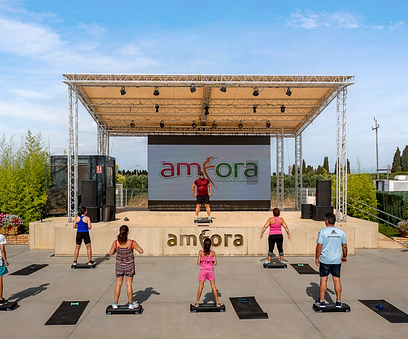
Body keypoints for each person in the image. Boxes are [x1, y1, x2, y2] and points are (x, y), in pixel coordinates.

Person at [315, 212, 347, 308]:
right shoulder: (341, 232)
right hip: (336, 260)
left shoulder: (323, 232)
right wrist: (344, 256)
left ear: (326, 221)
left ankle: (321, 301)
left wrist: (317, 257)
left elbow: (319, 246)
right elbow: (344, 246)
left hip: (325, 260)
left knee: (323, 279)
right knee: (337, 280)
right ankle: (338, 301)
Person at [109, 225, 144, 309]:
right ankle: (131, 304)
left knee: (118, 284)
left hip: (119, 266)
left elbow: (111, 253)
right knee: (129, 284)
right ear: (128, 233)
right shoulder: (131, 243)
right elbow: (141, 250)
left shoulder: (116, 242)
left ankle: (115, 304)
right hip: (129, 266)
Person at [193, 238, 223, 307]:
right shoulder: (213, 253)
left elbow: (198, 263)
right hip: (210, 271)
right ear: (210, 245)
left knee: (201, 286)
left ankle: (197, 302)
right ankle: (217, 302)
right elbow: (215, 263)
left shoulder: (200, 252)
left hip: (203, 271)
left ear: (203, 245)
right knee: (213, 286)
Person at [0, 233, 9, 304]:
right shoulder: (1, 237)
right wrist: (5, 260)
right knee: (0, 279)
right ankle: (0, 298)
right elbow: (2, 250)